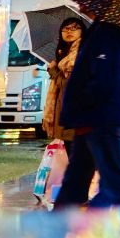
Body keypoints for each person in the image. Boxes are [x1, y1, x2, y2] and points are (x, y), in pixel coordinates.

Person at [55, 15, 120, 208]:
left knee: (119, 181)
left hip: (101, 117)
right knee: (79, 180)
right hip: (94, 117)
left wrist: (86, 107)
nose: (80, 5)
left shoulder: (109, 33)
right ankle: (61, 221)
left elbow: (105, 77)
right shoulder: (102, 31)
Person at [42, 17, 86, 153]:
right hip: (65, 110)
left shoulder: (79, 54)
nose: (69, 31)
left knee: (75, 155)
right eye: (66, 28)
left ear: (82, 32)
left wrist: (54, 71)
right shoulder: (64, 54)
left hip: (75, 113)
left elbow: (69, 85)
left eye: (75, 28)